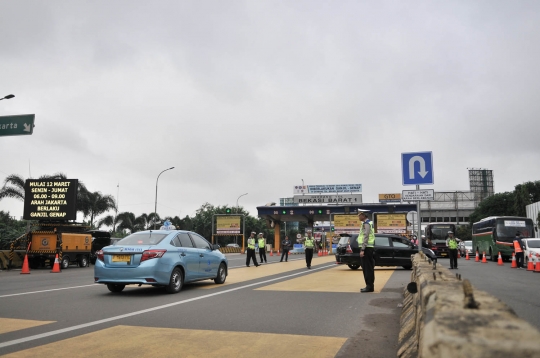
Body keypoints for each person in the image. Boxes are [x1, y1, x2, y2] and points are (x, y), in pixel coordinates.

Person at [358, 210, 375, 292]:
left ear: (364, 215)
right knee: (368, 268)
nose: (358, 217)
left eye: (359, 215)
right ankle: (370, 285)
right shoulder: (367, 223)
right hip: (368, 247)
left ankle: (369, 286)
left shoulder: (366, 224)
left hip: (367, 248)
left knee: (367, 268)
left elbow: (366, 236)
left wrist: (362, 249)